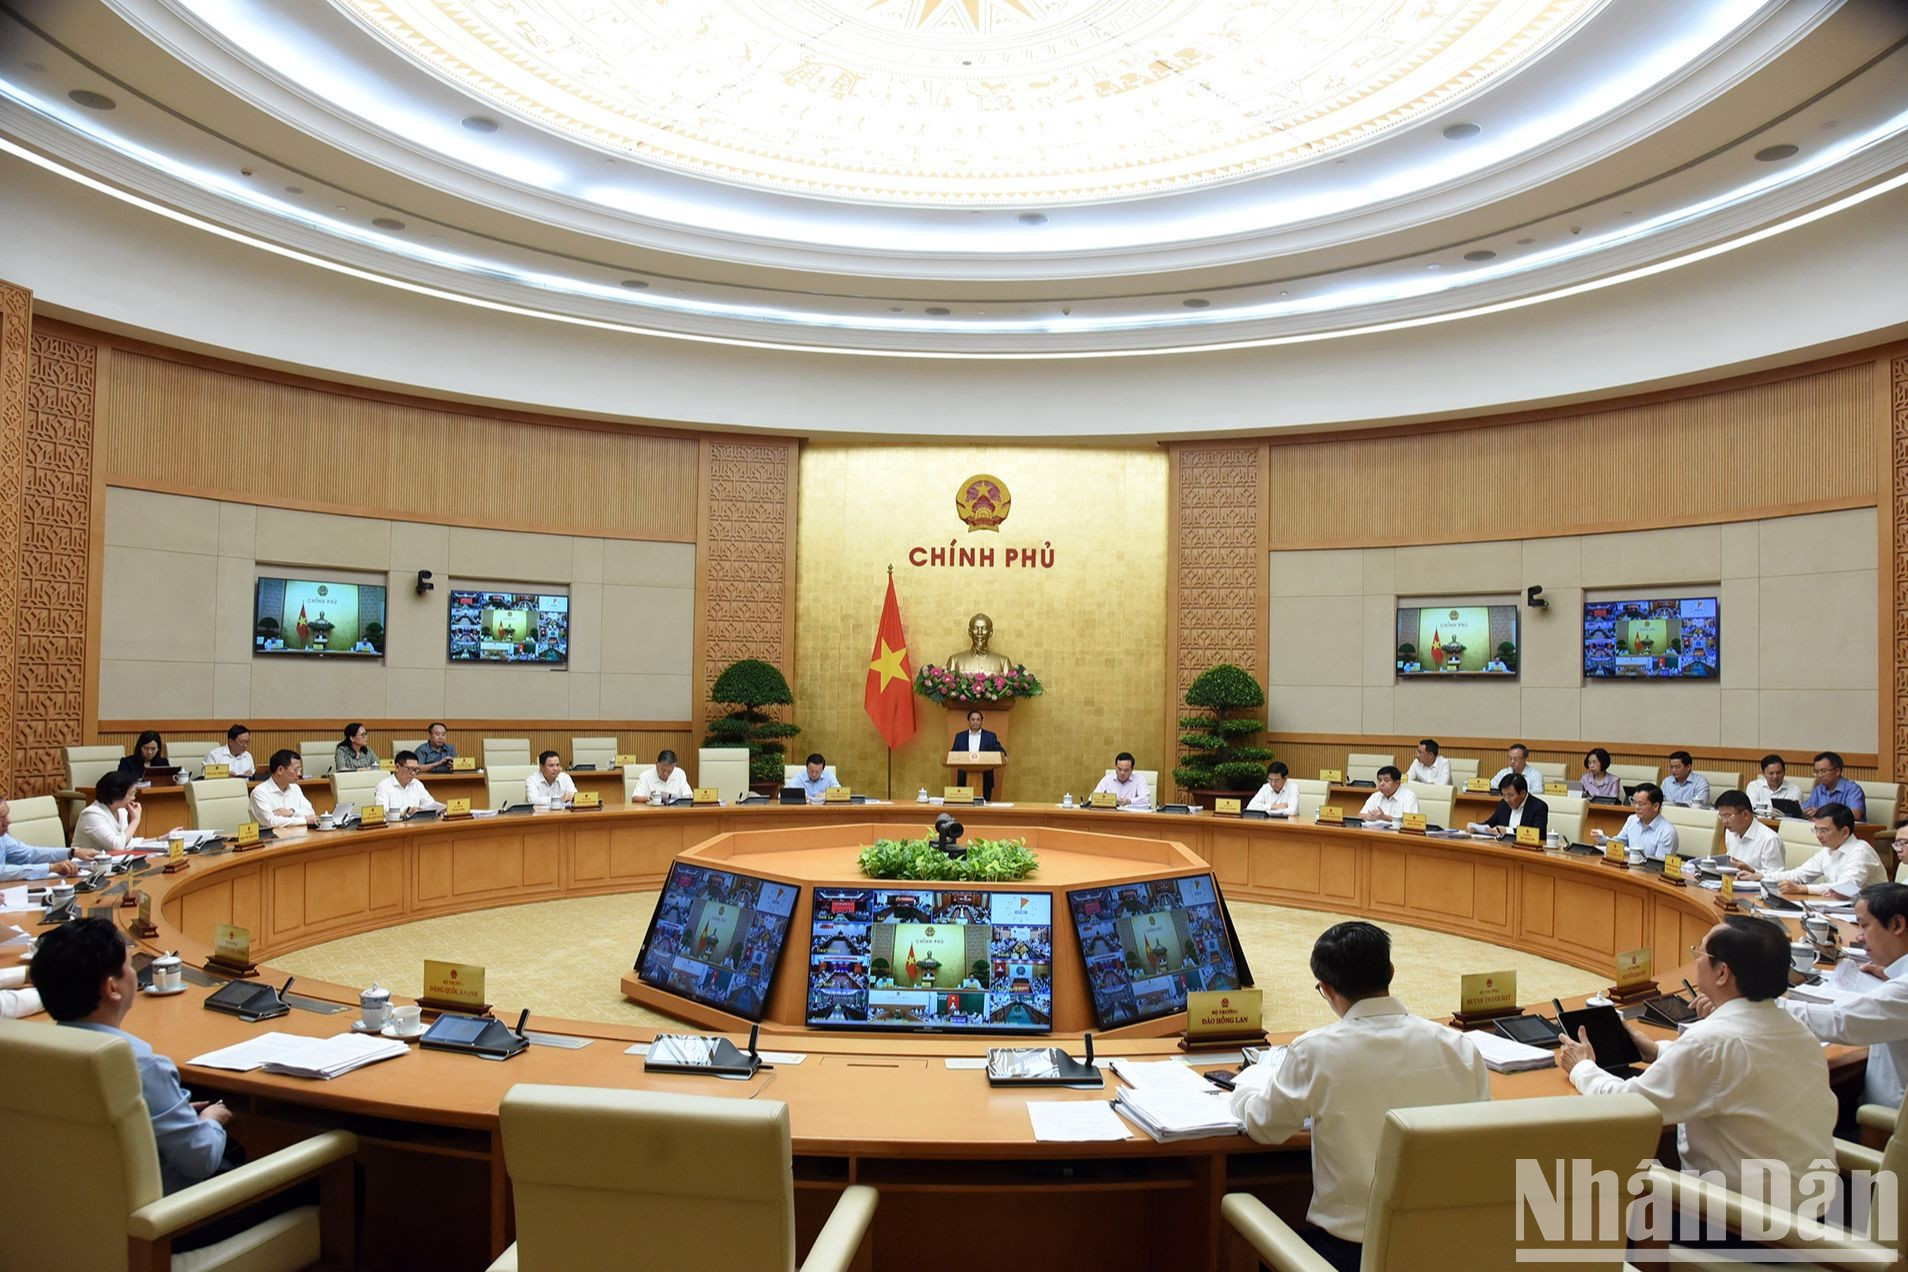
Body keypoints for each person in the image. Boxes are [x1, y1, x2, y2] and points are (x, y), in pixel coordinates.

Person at [1229, 921, 1489, 1270]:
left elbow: (1264, 1127)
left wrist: (1247, 1085)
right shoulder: (1459, 1047)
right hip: (1443, 1251)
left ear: (1327, 988)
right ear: (1391, 972)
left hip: (1349, 1255)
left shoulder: (1314, 1051)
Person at [1558, 915, 1835, 1204]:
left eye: (1700, 953)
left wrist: (1582, 1067)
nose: (1695, 960)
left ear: (1722, 973)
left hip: (1741, 1228)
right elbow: (1727, 1068)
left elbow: (1629, 1107)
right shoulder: (1799, 1031)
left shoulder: (1710, 1042)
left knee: (1602, 1168)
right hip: (1813, 1217)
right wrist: (1656, 1052)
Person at [33, 918, 232, 1193]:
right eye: (129, 966)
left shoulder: (36, 1053)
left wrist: (175, 1112)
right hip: (164, 1223)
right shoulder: (142, 1065)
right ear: (112, 988)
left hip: (69, 1210)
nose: (136, 975)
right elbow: (200, 1159)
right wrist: (211, 1119)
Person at [1780, 882, 1908, 1109]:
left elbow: (1837, 1021)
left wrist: (1755, 1002)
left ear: (1897, 924)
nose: (1859, 936)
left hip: (1882, 1127)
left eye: (1864, 925)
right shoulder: (1898, 980)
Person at [1741, 803, 1885, 898]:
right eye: (1815, 830)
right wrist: (1760, 876)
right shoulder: (1828, 850)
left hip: (1874, 917)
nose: (1818, 836)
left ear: (1845, 831)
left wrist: (1801, 889)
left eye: (1824, 831)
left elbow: (1844, 888)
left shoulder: (1861, 851)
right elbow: (1799, 874)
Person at [0, 795, 100, 880]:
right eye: (1, 818)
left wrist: (72, 852)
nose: (8, 821)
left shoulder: (3, 838)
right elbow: (2, 872)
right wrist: (51, 868)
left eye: (7, 815)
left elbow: (30, 854)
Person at [1594, 783, 1678, 862]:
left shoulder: (1667, 832)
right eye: (1635, 802)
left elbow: (1659, 866)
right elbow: (1619, 843)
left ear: (1655, 806)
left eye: (1641, 804)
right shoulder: (1632, 820)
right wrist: (1603, 839)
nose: (1637, 807)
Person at [1714, 790, 1784, 875]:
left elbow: (1776, 877)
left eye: (1728, 816)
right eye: (1721, 816)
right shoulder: (1730, 832)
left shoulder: (1770, 839)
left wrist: (1752, 871)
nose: (1724, 822)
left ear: (1745, 814)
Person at [74, 769, 144, 853]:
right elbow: (117, 846)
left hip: (111, 862)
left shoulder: (121, 811)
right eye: (131, 793)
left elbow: (127, 842)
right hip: (86, 864)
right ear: (117, 793)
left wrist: (160, 839)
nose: (133, 798)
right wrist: (136, 820)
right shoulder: (91, 814)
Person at [1466, 774, 1548, 839]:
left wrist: (1507, 831)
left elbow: (1538, 834)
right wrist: (1476, 827)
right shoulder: (1504, 804)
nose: (1507, 799)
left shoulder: (1539, 807)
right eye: (1504, 795)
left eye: (1510, 795)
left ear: (1523, 793)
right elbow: (1491, 824)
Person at [249, 750, 316, 828]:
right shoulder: (260, 792)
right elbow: (270, 822)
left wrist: (292, 812)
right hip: (271, 838)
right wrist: (304, 820)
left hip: (296, 835)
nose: (299, 774)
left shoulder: (295, 788)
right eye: (296, 770)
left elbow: (310, 813)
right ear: (280, 770)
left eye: (299, 770)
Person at [951, 708, 1006, 800]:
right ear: (969, 721)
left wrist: (1004, 755)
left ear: (981, 721)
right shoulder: (960, 736)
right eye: (973, 719)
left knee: (984, 808)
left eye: (978, 719)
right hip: (964, 778)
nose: (975, 722)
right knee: (964, 807)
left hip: (985, 778)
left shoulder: (990, 736)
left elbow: (999, 750)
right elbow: (953, 754)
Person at [1803, 751, 1867, 820]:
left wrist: (1822, 812)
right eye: (1816, 772)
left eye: (1823, 771)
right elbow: (1804, 808)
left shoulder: (1853, 789)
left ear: (1837, 771)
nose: (1819, 775)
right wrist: (1805, 811)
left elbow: (1856, 814)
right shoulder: (1818, 789)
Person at [372, 751, 437, 818]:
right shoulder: (383, 786)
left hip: (415, 824)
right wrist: (405, 812)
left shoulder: (417, 784)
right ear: (397, 767)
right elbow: (383, 811)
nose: (413, 773)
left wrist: (441, 808)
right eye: (410, 769)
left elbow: (430, 804)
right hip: (393, 826)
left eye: (416, 770)